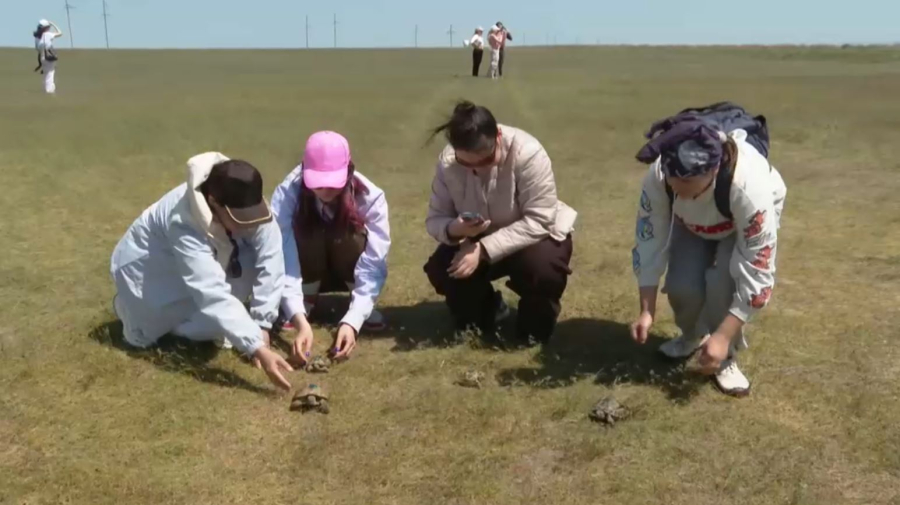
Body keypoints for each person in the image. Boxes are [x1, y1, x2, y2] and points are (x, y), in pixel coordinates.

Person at [629, 116, 786, 397]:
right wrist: (647, 310)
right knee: (682, 286)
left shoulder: (750, 188)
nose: (681, 195)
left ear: (714, 170)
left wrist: (723, 336)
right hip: (691, 226)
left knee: (723, 285)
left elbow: (758, 270)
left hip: (737, 225)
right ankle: (692, 337)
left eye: (690, 190)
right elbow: (649, 239)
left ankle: (724, 356)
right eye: (675, 187)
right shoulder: (661, 176)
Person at [110, 153, 295, 391]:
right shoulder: (183, 220)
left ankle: (225, 325)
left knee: (214, 326)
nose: (248, 224)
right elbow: (210, 291)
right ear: (214, 202)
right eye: (240, 219)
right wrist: (257, 347)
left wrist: (262, 324)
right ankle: (128, 310)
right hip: (146, 272)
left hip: (195, 267)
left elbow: (271, 258)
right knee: (144, 335)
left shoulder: (242, 193)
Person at [424, 102, 578, 345]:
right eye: (466, 164)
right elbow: (435, 218)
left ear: (497, 136)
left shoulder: (528, 152)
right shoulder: (448, 162)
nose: (476, 169)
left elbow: (540, 218)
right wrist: (457, 230)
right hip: (475, 238)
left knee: (544, 268)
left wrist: (483, 249)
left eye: (486, 161)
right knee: (443, 268)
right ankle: (489, 311)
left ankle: (534, 328)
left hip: (533, 237)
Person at [271, 131, 391, 362]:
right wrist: (298, 318)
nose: (326, 190)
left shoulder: (372, 197)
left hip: (350, 268)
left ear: (349, 171)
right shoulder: (287, 193)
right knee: (307, 230)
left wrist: (354, 320)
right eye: (318, 183)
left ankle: (357, 301)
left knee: (348, 231)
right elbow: (282, 255)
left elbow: (375, 262)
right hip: (305, 267)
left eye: (333, 183)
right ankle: (306, 298)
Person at [33, 19, 63, 94]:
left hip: (42, 57)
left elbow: (37, 48)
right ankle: (49, 91)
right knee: (50, 74)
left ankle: (48, 89)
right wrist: (53, 24)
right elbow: (60, 33)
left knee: (46, 74)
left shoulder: (37, 37)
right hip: (49, 56)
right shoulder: (48, 34)